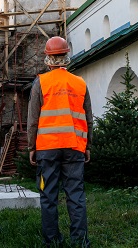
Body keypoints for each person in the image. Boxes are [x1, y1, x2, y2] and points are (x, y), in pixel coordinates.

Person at [27, 36, 92, 248]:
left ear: (48, 59)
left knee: (48, 195)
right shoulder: (80, 83)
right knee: (76, 194)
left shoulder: (40, 83)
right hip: (74, 147)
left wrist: (31, 147)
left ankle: (52, 240)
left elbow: (33, 120)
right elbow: (89, 118)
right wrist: (87, 146)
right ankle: (80, 241)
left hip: (47, 149)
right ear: (66, 57)